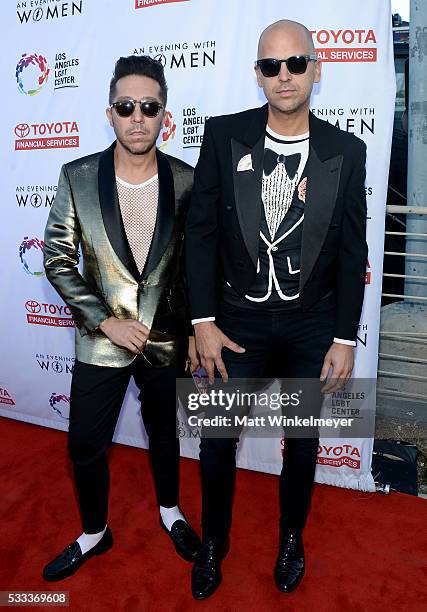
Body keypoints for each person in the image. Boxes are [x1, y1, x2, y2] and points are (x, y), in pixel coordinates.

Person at [185, 20, 367, 599]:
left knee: (304, 439)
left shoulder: (346, 150)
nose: (283, 77)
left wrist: (344, 337)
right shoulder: (223, 136)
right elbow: (202, 234)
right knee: (216, 441)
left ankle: (292, 537)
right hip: (234, 322)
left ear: (317, 68)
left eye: (295, 64)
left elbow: (351, 249)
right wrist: (202, 321)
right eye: (271, 66)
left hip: (314, 321)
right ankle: (215, 542)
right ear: (258, 75)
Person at [42, 55, 201, 582]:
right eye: (127, 106)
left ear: (163, 115)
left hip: (165, 340)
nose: (138, 116)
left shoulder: (187, 181)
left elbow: (197, 265)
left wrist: (200, 328)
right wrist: (103, 320)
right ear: (110, 113)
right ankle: (94, 532)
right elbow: (58, 257)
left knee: (164, 434)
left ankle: (171, 511)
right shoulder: (78, 176)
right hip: (102, 340)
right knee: (84, 444)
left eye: (149, 107)